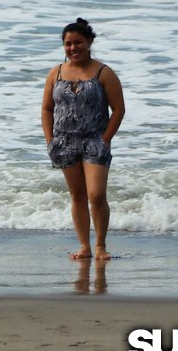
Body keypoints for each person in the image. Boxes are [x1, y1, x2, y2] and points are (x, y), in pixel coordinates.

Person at [41, 18, 125, 261]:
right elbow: (47, 109)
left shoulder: (103, 72)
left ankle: (100, 245)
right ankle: (84, 246)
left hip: (94, 140)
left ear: (89, 42)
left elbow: (118, 109)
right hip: (64, 142)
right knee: (77, 196)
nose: (73, 48)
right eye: (68, 44)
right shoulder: (56, 72)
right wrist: (50, 140)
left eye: (78, 42)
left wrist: (105, 139)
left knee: (96, 194)